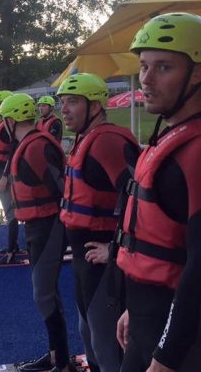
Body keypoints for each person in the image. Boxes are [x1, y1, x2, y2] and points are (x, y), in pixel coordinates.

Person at [115, 12, 201, 372]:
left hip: (181, 341)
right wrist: (134, 310)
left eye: (164, 67)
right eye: (143, 67)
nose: (147, 81)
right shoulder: (167, 138)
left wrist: (167, 357)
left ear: (197, 73)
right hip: (145, 321)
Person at [57, 73, 140, 372]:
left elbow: (141, 199)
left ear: (95, 106)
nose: (64, 109)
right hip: (84, 262)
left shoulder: (106, 141)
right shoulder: (84, 139)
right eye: (62, 102)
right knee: (88, 335)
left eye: (73, 102)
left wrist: (115, 248)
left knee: (106, 344)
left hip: (105, 264)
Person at [0, 93, 76, 372]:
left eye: (3, 120)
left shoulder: (37, 147)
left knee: (43, 293)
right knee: (46, 292)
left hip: (50, 225)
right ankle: (56, 356)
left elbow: (64, 188)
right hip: (36, 226)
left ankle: (62, 362)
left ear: (11, 120)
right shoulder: (28, 144)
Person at [0, 90, 21, 263]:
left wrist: (5, 175)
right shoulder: (3, 124)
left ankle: (11, 253)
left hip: (5, 174)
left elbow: (12, 152)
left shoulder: (8, 127)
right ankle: (13, 246)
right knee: (9, 211)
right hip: (0, 171)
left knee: (10, 212)